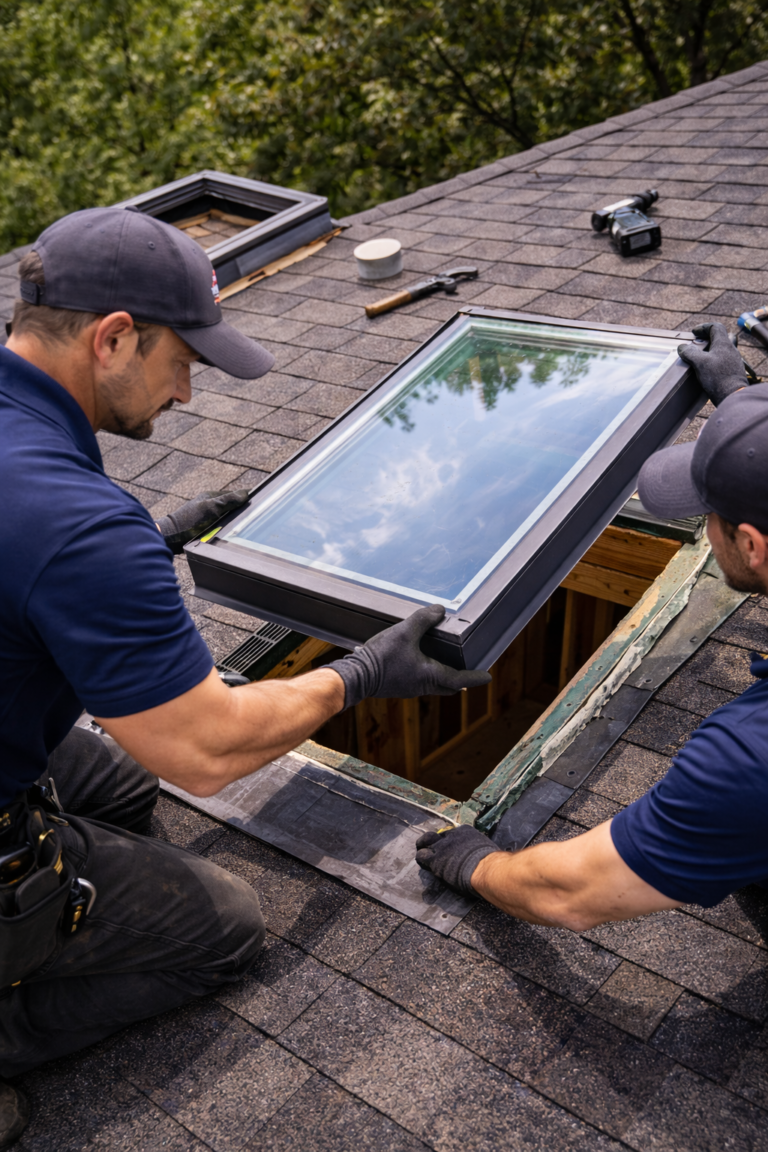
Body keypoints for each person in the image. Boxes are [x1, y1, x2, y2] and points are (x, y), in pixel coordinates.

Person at [0, 206, 489, 1147]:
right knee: (225, 928)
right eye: (185, 361)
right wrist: (360, 674)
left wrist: (147, 540)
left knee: (123, 788)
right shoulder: (73, 523)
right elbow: (207, 751)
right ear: (113, 338)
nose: (188, 393)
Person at [418, 322, 768, 932]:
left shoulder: (748, 758)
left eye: (708, 512)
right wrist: (744, 414)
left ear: (752, 545)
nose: (705, 529)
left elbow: (571, 892)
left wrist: (477, 865)